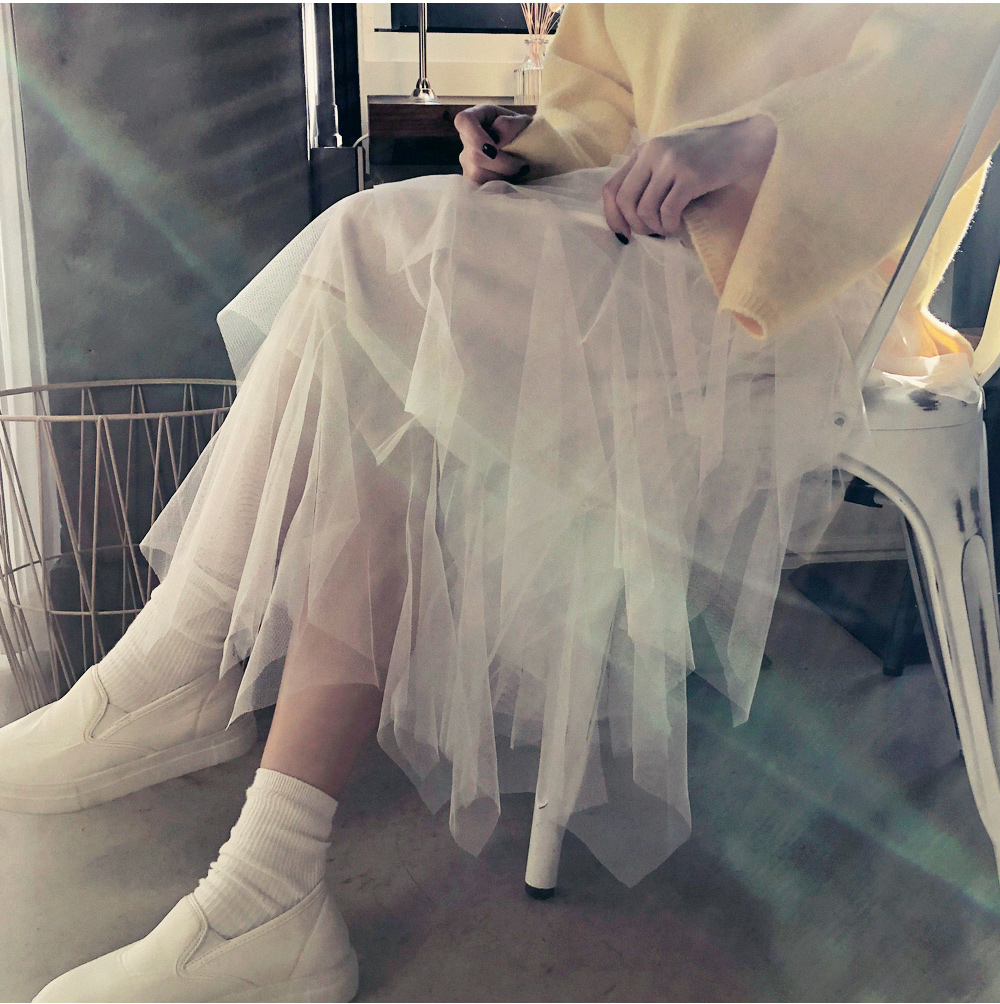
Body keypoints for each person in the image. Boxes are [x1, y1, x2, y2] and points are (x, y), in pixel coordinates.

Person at [5, 4, 1000, 1001]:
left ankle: (205, 715)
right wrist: (532, 142)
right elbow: (607, 96)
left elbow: (966, 47)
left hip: (806, 276)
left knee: (372, 255)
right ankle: (263, 865)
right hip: (632, 246)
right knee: (379, 321)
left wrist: (761, 139)